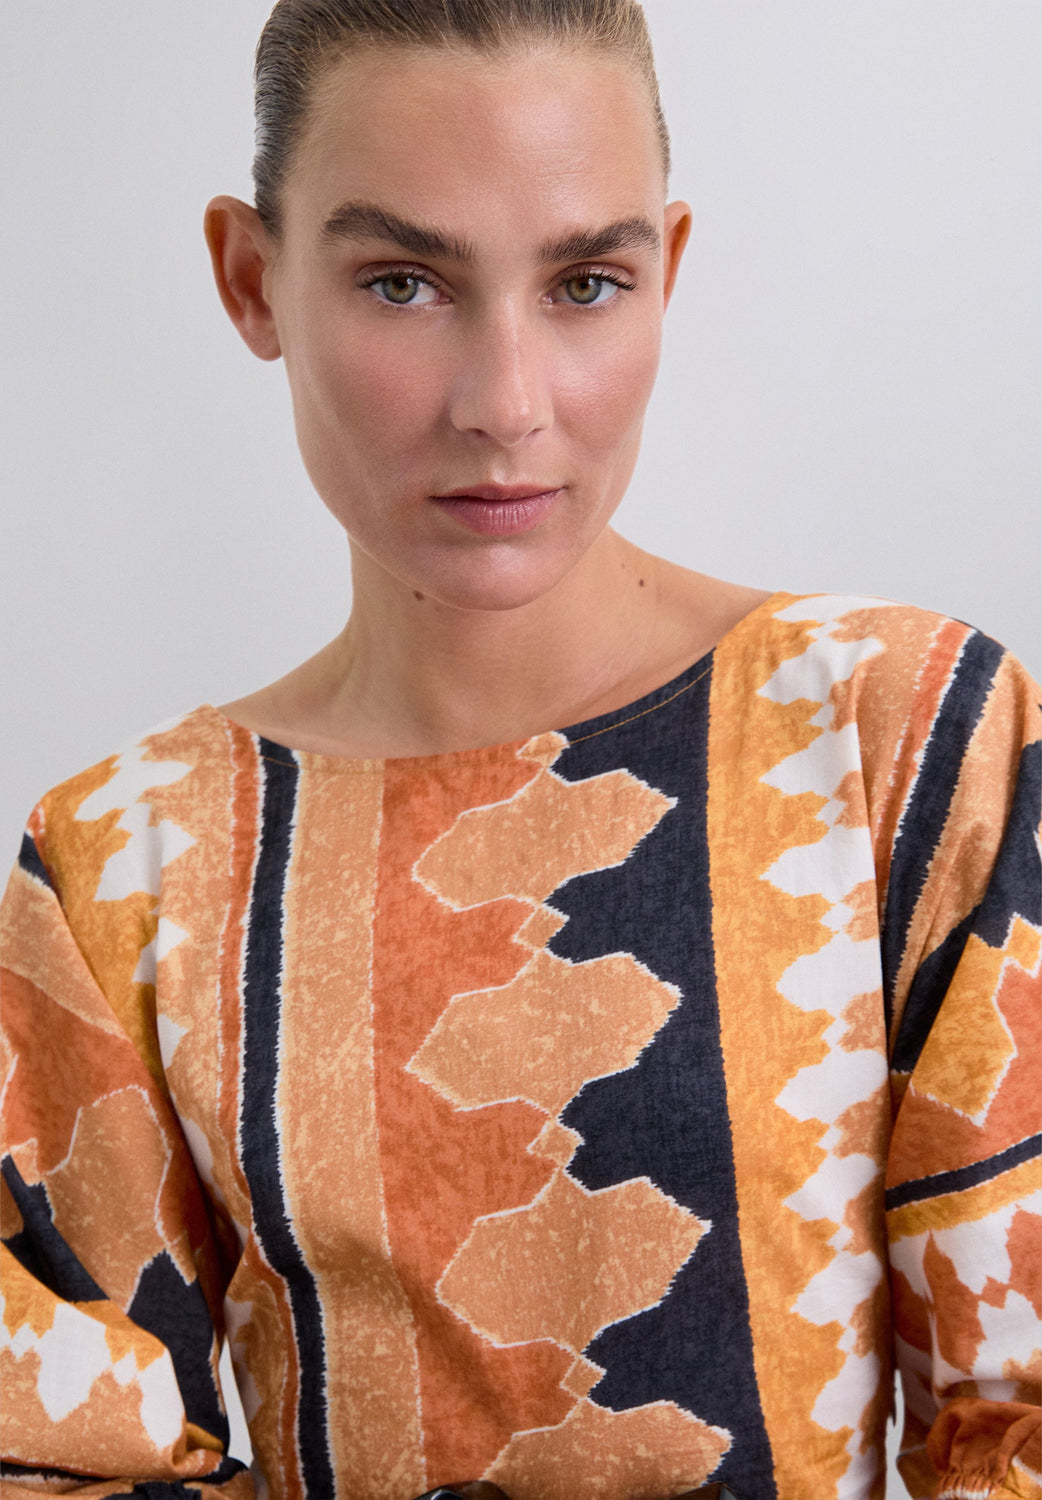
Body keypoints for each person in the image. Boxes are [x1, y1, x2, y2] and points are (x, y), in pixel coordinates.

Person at [1, 2, 1038, 1498]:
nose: (506, 404)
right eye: (404, 282)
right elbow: (56, 1454)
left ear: (667, 271)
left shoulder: (903, 740)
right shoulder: (128, 865)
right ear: (250, 278)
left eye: (585, 283)